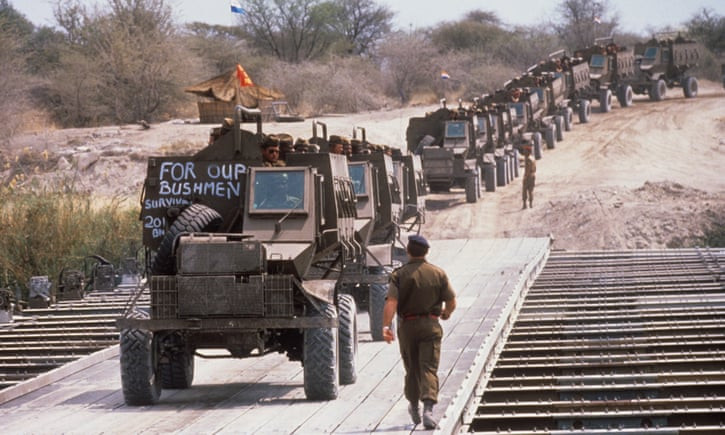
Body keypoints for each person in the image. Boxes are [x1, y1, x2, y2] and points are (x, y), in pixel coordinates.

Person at [382, 234, 457, 429]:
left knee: (412, 368)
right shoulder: (438, 273)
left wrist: (386, 327)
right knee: (428, 367)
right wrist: (446, 313)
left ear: (408, 251)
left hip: (407, 327)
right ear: (426, 252)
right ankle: (428, 411)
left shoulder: (399, 275)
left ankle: (414, 405)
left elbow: (391, 302)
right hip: (431, 326)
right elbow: (451, 301)